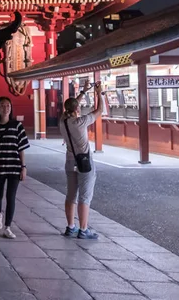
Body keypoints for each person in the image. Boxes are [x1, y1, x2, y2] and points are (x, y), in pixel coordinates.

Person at [59, 81, 104, 240]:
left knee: (71, 196)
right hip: (85, 163)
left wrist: (84, 92)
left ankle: (70, 227)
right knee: (84, 197)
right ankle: (83, 229)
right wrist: (99, 93)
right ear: (77, 109)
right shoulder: (80, 122)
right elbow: (100, 111)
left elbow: (72, 105)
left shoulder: (62, 121)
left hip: (70, 162)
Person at [0, 97, 30, 239]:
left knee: (11, 197)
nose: (6, 108)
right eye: (2, 106)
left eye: (8, 105)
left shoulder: (17, 126)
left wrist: (23, 166)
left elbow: (21, 148)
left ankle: (8, 227)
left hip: (14, 166)